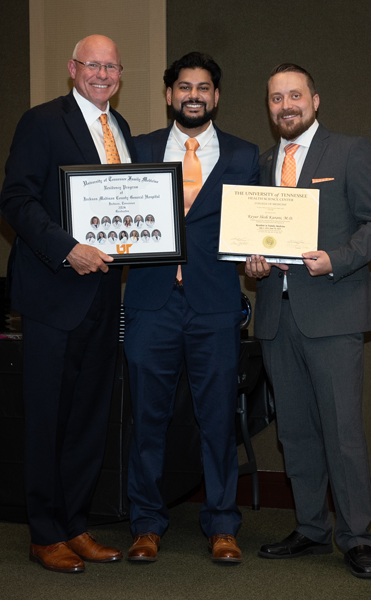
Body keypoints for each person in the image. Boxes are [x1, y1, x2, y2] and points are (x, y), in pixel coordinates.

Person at [245, 63, 371, 579]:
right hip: (276, 317)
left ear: (315, 99)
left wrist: (338, 257)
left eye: (295, 96)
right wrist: (251, 262)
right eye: (275, 99)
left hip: (333, 313)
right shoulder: (263, 163)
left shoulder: (350, 151)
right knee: (298, 434)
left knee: (343, 432)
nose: (286, 106)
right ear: (268, 107)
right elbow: (253, 238)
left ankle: (355, 537)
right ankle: (310, 529)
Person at [0, 34, 137, 573]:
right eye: (92, 64)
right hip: (54, 294)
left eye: (111, 66)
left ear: (120, 74)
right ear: (72, 68)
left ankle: (76, 525)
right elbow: (15, 197)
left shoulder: (119, 128)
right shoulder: (42, 121)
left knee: (87, 417)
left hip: (104, 295)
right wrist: (67, 250)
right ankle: (45, 533)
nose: (101, 74)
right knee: (47, 417)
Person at [124, 51, 259, 564]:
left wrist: (262, 254)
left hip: (216, 306)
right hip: (150, 304)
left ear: (216, 97)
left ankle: (222, 525)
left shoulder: (246, 156)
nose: (194, 95)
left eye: (203, 87)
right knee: (147, 419)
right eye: (184, 87)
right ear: (169, 95)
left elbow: (260, 228)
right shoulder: (137, 150)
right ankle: (146, 524)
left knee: (217, 420)